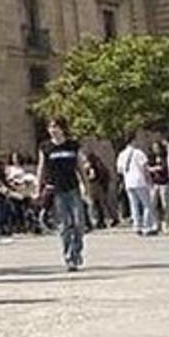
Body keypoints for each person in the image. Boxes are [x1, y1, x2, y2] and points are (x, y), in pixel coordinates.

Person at [36, 116, 87, 271]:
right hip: (56, 190)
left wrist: (85, 186)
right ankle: (69, 257)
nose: (53, 130)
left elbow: (80, 167)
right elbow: (41, 168)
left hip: (73, 188)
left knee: (79, 223)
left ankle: (77, 250)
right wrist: (39, 188)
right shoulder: (46, 147)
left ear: (63, 128)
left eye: (56, 127)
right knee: (64, 225)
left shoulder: (72, 145)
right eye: (50, 127)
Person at [116, 138, 156, 236]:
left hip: (128, 182)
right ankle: (147, 226)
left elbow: (119, 170)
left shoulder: (121, 154)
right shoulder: (139, 153)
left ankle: (137, 226)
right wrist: (149, 180)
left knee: (134, 205)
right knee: (146, 204)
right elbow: (145, 168)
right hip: (139, 181)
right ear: (133, 141)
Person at [83, 152, 118, 229]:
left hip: (94, 187)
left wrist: (86, 175)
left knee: (97, 204)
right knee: (102, 204)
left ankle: (100, 221)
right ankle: (110, 218)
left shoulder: (91, 166)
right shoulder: (99, 164)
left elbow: (92, 176)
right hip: (101, 186)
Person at [147, 141, 169, 235]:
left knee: (166, 205)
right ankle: (157, 225)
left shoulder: (165, 157)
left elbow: (164, 168)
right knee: (153, 205)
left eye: (157, 147)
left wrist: (155, 169)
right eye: (154, 147)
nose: (155, 149)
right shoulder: (152, 158)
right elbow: (148, 168)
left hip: (165, 183)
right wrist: (154, 169)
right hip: (155, 184)